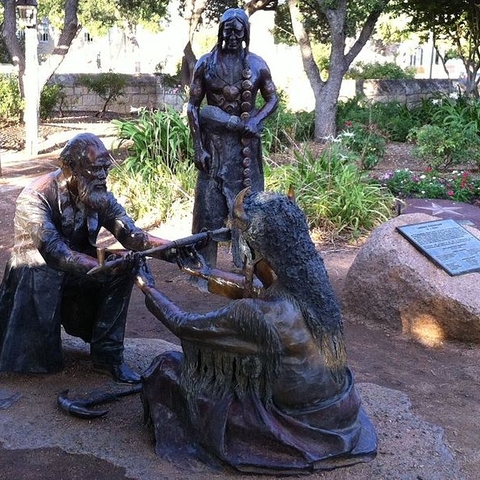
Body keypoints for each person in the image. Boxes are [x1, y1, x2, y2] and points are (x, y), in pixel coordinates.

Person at [136, 190, 377, 474]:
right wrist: (200, 274)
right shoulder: (315, 294)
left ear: (251, 249)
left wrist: (146, 286)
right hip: (341, 413)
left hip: (296, 420)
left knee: (165, 369)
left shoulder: (257, 315)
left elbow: (183, 324)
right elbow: (263, 291)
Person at [0, 132, 173, 384]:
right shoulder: (35, 196)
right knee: (52, 272)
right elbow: (53, 251)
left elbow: (133, 236)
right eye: (95, 170)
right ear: (69, 168)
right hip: (38, 277)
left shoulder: (98, 194)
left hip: (79, 271)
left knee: (126, 265)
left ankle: (108, 358)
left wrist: (173, 248)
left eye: (106, 168)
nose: (103, 176)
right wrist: (101, 266)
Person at [187, 8, 279, 268]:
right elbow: (194, 106)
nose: (233, 36)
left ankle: (249, 268)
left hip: (244, 149)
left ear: (246, 33)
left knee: (247, 210)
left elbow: (273, 98)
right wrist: (197, 148)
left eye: (239, 31)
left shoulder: (258, 65)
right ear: (220, 31)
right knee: (207, 209)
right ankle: (202, 268)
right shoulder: (206, 63)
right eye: (228, 30)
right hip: (213, 148)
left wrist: (256, 120)